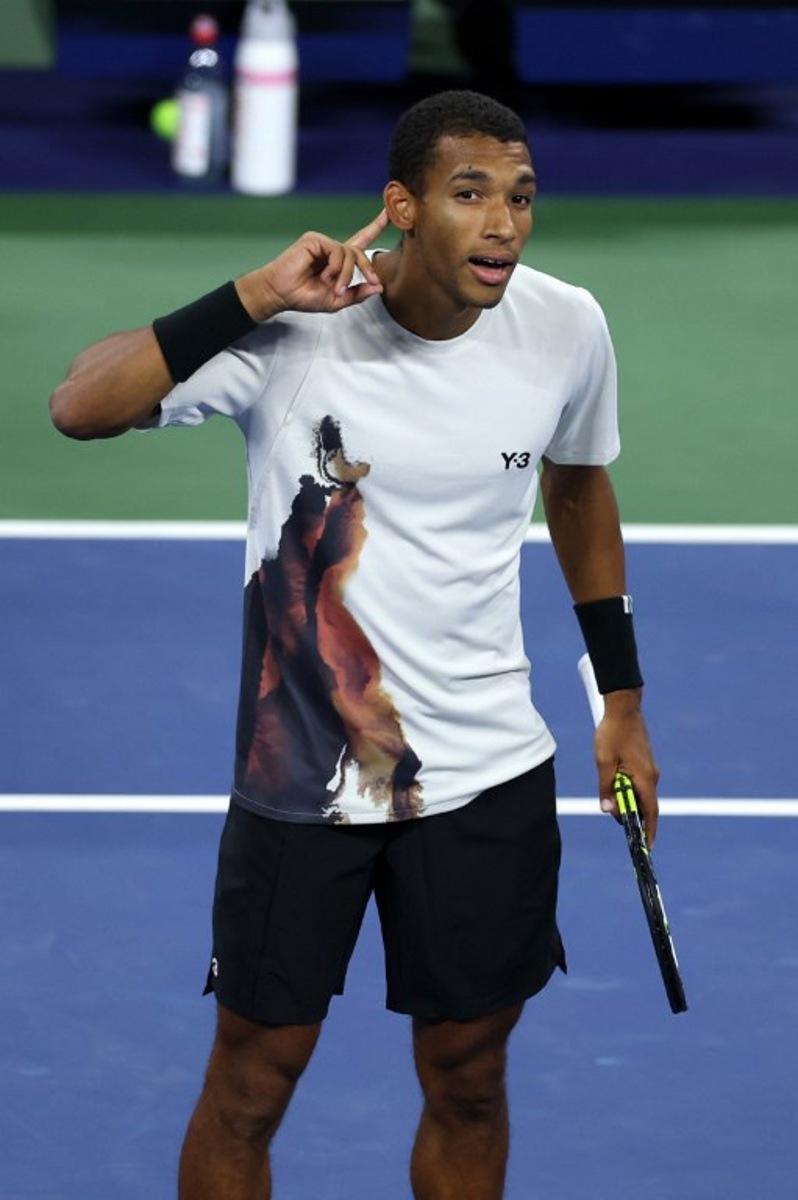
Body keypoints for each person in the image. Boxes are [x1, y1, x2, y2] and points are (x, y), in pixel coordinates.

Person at [51, 90, 659, 1200]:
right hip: (304, 783)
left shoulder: (567, 324)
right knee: (252, 1081)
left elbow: (579, 486)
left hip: (487, 774)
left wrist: (618, 697)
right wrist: (249, 294)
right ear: (403, 207)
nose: (504, 225)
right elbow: (80, 406)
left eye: (521, 197)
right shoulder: (295, 331)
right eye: (470, 194)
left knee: (470, 1077)